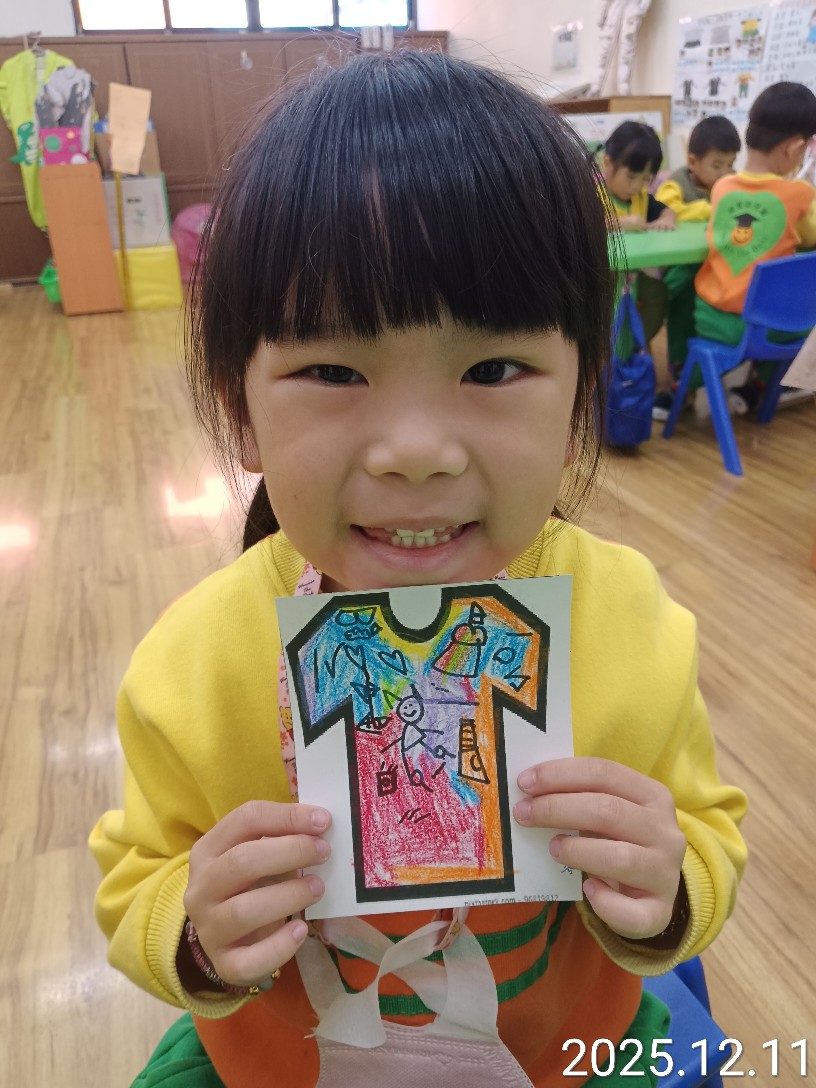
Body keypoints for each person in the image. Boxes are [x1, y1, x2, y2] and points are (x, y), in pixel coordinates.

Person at [90, 51, 747, 1088]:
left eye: (493, 368)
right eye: (332, 370)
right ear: (237, 406)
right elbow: (134, 882)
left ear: (579, 392)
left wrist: (667, 886)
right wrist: (193, 930)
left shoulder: (630, 620)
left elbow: (707, 831)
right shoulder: (194, 664)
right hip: (284, 1063)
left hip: (564, 1054)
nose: (416, 451)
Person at [694, 81, 816, 413]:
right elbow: (810, 236)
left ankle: (684, 384)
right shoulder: (801, 195)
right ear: (794, 147)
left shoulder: (721, 187)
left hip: (714, 322)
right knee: (801, 314)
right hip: (776, 328)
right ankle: (764, 386)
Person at [652, 116, 741, 420]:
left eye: (731, 164)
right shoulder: (677, 183)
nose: (725, 172)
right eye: (717, 165)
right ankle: (680, 388)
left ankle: (689, 384)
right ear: (692, 162)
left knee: (701, 324)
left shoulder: (732, 184)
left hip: (714, 271)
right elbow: (669, 210)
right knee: (680, 320)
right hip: (680, 271)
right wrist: (711, 208)